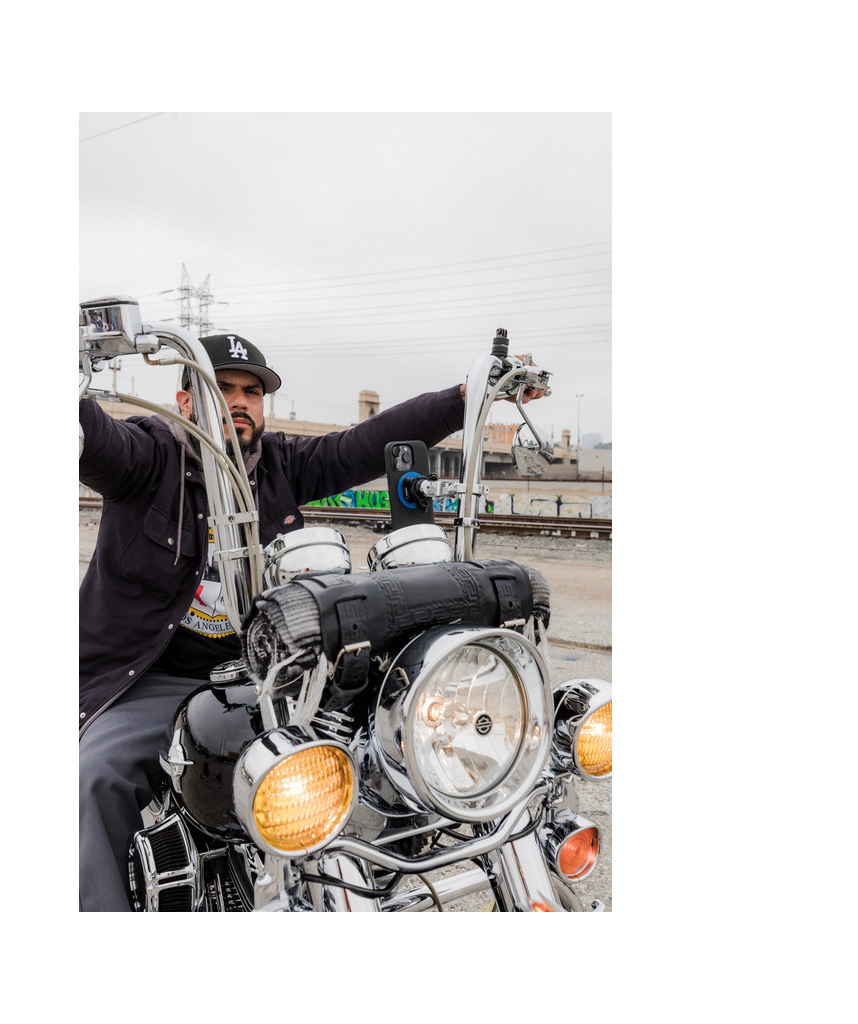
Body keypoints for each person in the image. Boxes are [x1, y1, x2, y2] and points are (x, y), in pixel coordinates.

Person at [78, 333, 544, 911]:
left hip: (265, 677)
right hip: (154, 678)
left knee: (377, 762)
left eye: (251, 392)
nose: (238, 401)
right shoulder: (145, 457)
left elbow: (365, 443)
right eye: (221, 388)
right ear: (185, 401)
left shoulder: (281, 465)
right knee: (95, 777)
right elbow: (94, 438)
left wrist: (466, 395)